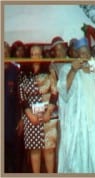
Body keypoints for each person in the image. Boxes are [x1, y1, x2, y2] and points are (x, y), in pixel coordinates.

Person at [57, 37, 95, 173]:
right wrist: (73, 71)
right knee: (78, 164)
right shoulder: (67, 69)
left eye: (87, 53)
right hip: (78, 127)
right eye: (81, 53)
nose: (84, 56)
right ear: (76, 55)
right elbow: (63, 92)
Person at [18, 45, 58, 173]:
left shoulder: (50, 71)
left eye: (39, 54)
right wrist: (30, 115)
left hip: (48, 115)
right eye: (33, 54)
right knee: (35, 150)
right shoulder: (22, 74)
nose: (36, 56)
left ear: (42, 55)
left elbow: (54, 93)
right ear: (29, 56)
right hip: (31, 116)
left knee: (49, 149)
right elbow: (22, 97)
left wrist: (48, 112)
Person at [4, 41, 21, 173]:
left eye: (5, 52)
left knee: (14, 160)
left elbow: (19, 97)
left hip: (11, 121)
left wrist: (20, 119)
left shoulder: (15, 71)